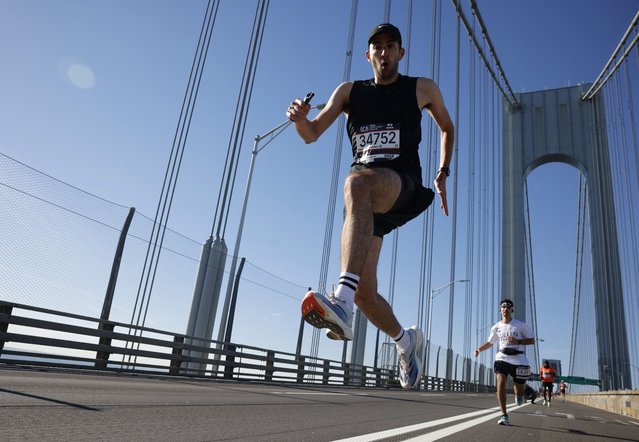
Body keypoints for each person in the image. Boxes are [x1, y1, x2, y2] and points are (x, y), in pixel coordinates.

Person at [287, 23, 454, 390]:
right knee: (366, 293)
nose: (383, 52)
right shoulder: (349, 92)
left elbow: (447, 126)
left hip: (400, 185)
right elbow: (312, 134)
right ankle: (405, 341)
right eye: (376, 47)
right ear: (368, 55)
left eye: (390, 46)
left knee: (357, 182)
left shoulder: (420, 88)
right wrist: (300, 121)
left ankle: (340, 301)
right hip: (364, 203)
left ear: (400, 53)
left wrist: (442, 172)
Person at [474, 298, 535, 426]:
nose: (505, 309)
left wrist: (518, 341)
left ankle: (519, 394)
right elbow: (490, 343)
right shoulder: (496, 327)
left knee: (519, 389)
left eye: (508, 307)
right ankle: (504, 415)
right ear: (500, 309)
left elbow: (531, 340)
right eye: (503, 307)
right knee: (500, 383)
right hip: (502, 358)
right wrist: (479, 349)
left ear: (512, 309)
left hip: (519, 359)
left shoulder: (520, 325)